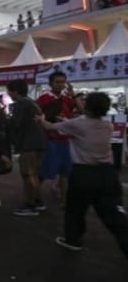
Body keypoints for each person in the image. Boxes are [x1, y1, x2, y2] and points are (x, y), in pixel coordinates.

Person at [38, 92, 128, 257]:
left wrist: (40, 118)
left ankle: (73, 240)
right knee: (114, 215)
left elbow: (49, 127)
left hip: (84, 174)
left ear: (87, 107)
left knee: (75, 210)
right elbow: (79, 125)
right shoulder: (107, 125)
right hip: (107, 174)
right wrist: (65, 121)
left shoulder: (79, 123)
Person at [6, 79, 48, 216]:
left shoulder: (21, 104)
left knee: (28, 175)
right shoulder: (31, 102)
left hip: (29, 144)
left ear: (15, 91)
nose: (8, 94)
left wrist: (2, 117)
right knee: (34, 174)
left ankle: (30, 205)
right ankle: (37, 201)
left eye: (9, 91)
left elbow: (15, 125)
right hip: (39, 142)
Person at [37, 71, 75, 207]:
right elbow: (37, 118)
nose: (60, 85)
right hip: (50, 141)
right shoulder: (44, 99)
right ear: (50, 83)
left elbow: (77, 112)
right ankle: (34, 197)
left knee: (65, 173)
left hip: (66, 140)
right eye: (57, 82)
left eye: (62, 82)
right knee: (43, 172)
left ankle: (64, 201)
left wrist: (73, 94)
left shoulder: (67, 99)